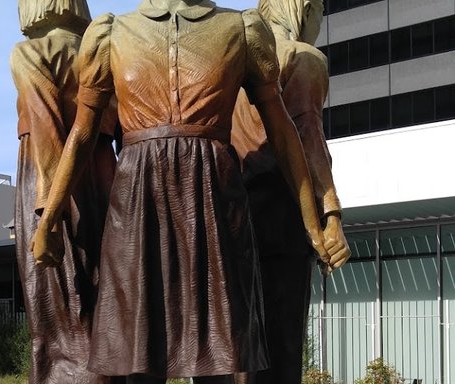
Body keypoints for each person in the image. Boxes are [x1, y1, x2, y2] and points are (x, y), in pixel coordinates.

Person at [32, 1, 345, 382]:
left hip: (215, 203)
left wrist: (316, 222)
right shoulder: (111, 34)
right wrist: (49, 217)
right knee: (139, 357)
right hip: (137, 206)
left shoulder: (240, 29)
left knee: (218, 355)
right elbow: (81, 135)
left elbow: (284, 132)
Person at [231, 0, 350, 383]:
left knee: (235, 347)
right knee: (281, 349)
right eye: (319, 13)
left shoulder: (228, 62)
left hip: (229, 214)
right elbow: (308, 136)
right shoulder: (302, 57)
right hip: (284, 212)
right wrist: (331, 214)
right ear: (304, 9)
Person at [10, 1, 118, 383]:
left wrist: (49, 217)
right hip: (107, 181)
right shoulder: (105, 49)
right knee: (104, 301)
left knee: (58, 313)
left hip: (49, 184)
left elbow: (45, 129)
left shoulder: (32, 52)